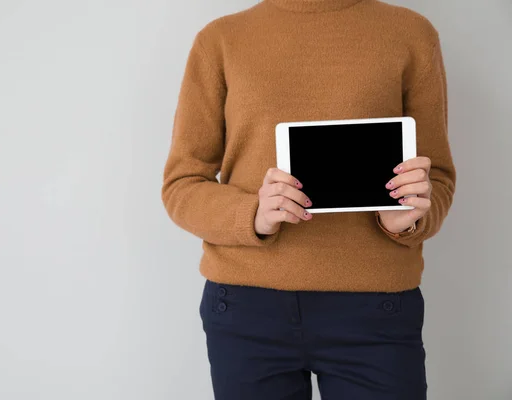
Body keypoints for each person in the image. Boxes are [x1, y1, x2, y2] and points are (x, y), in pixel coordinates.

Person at [161, 0, 456, 399]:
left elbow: (436, 176)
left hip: (376, 308)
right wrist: (252, 215)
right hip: (248, 310)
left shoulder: (411, 34)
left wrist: (407, 218)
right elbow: (182, 183)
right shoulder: (220, 40)